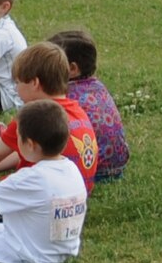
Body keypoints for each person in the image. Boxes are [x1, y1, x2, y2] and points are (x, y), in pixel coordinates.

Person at [0, 42, 98, 194]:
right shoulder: (77, 111)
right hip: (74, 195)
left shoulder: (35, 116)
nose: (16, 89)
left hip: (32, 198)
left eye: (17, 83)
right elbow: (17, 155)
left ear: (34, 83)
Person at [0, 100, 86, 263]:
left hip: (25, 254)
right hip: (58, 251)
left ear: (29, 144)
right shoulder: (71, 170)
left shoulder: (32, 177)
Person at [50, 30, 127, 183]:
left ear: (72, 69)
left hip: (90, 170)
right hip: (118, 166)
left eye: (49, 63)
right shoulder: (97, 86)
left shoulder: (65, 95)